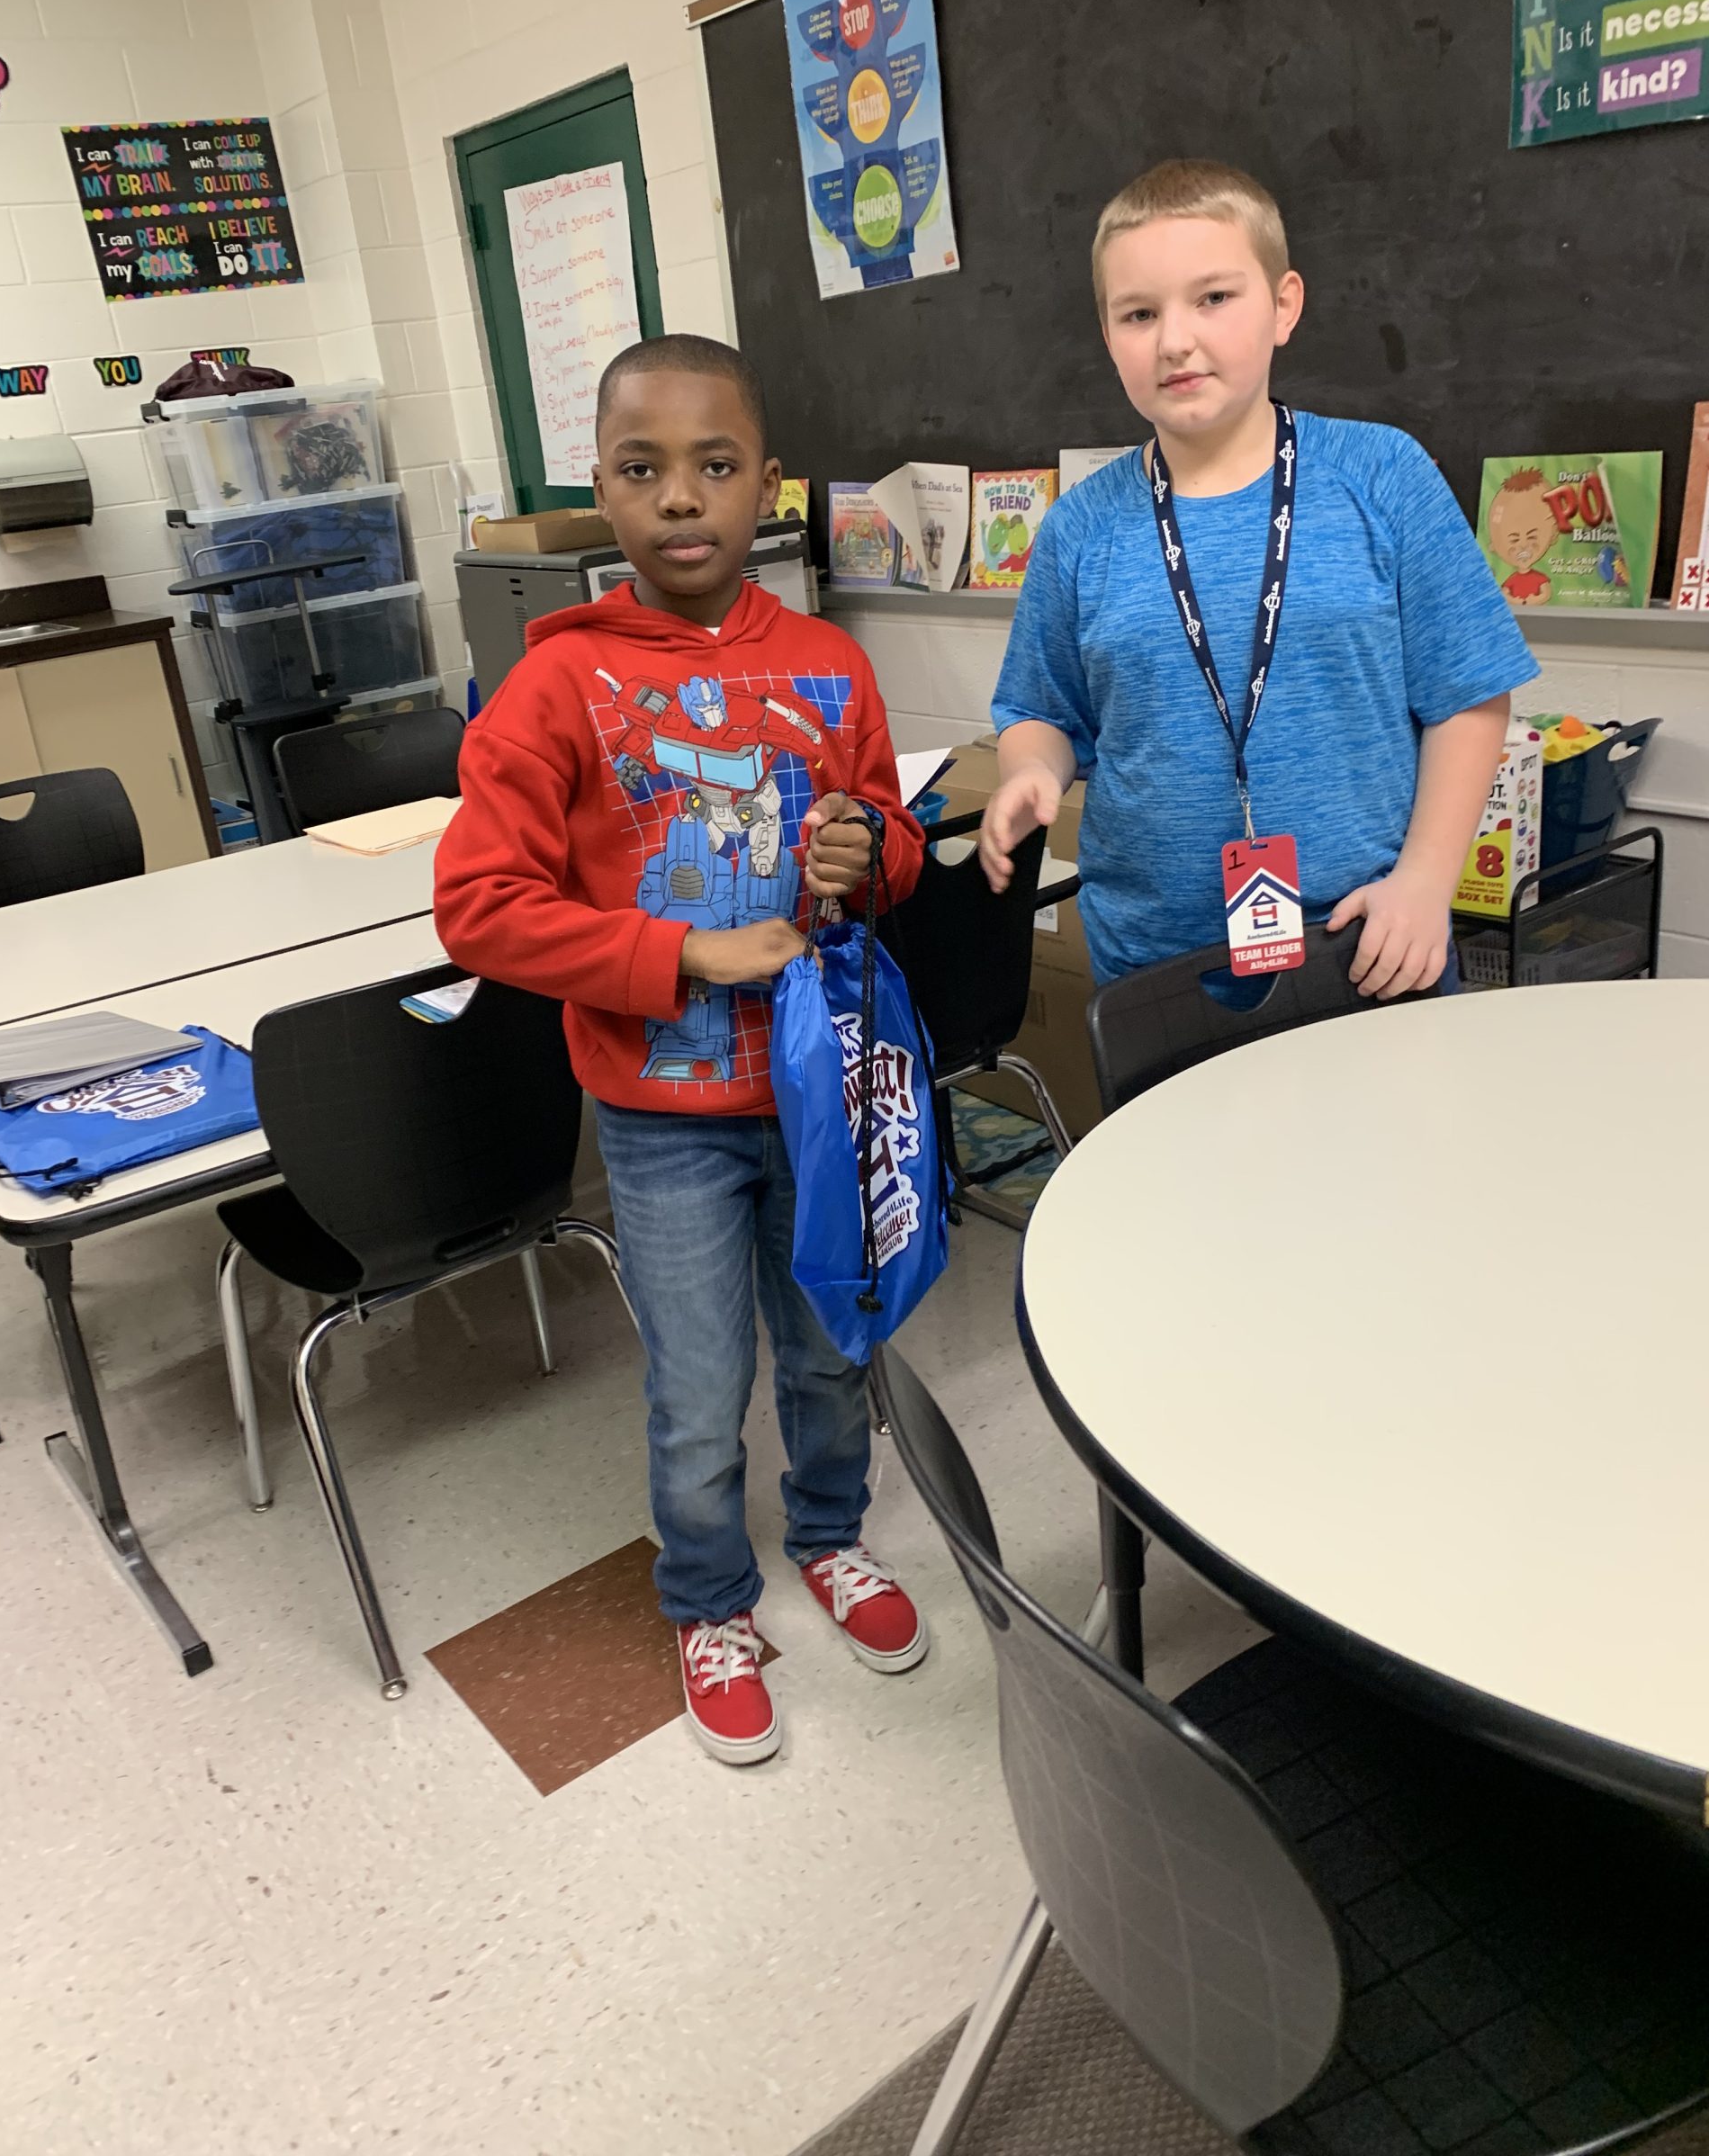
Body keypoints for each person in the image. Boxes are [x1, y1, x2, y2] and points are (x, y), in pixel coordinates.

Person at [434, 334, 930, 1766]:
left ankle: (829, 1534)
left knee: (831, 1346)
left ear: (767, 486)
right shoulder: (555, 687)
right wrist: (681, 958)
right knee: (698, 1387)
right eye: (642, 469)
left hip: (819, 1096)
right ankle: (709, 1600)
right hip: (663, 1121)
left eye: (716, 466)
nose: (680, 498)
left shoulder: (831, 664)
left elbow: (891, 844)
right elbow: (479, 906)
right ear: (601, 490)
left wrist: (870, 847)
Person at [981, 159, 1540, 1000]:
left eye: (1213, 297)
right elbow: (1042, 712)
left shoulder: (1383, 474)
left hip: (1368, 942)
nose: (1175, 340)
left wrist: (1427, 882)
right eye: (1139, 313)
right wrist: (1033, 771)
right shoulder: (1079, 527)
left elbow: (1469, 695)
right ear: (1107, 334)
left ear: (1284, 305)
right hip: (1153, 966)